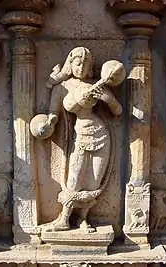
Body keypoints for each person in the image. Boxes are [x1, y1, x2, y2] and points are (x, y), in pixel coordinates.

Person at [30, 47, 126, 232]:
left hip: (101, 134)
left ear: (90, 67)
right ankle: (64, 218)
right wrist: (50, 121)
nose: (81, 67)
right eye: (77, 63)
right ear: (70, 64)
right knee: (74, 177)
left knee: (93, 180)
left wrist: (108, 99)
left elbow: (118, 111)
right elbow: (53, 112)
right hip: (79, 134)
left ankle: (83, 218)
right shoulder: (61, 88)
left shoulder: (96, 85)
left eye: (85, 64)